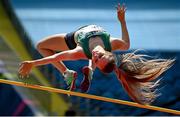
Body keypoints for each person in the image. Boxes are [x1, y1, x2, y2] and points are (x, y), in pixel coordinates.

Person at [18, 3, 174, 104]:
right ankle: (88, 72)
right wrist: (122, 21)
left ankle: (67, 73)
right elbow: (127, 43)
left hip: (72, 39)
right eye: (99, 56)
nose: (95, 55)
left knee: (41, 46)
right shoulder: (113, 44)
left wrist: (32, 63)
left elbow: (55, 57)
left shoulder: (80, 52)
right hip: (84, 37)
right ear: (109, 52)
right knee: (90, 59)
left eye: (95, 59)